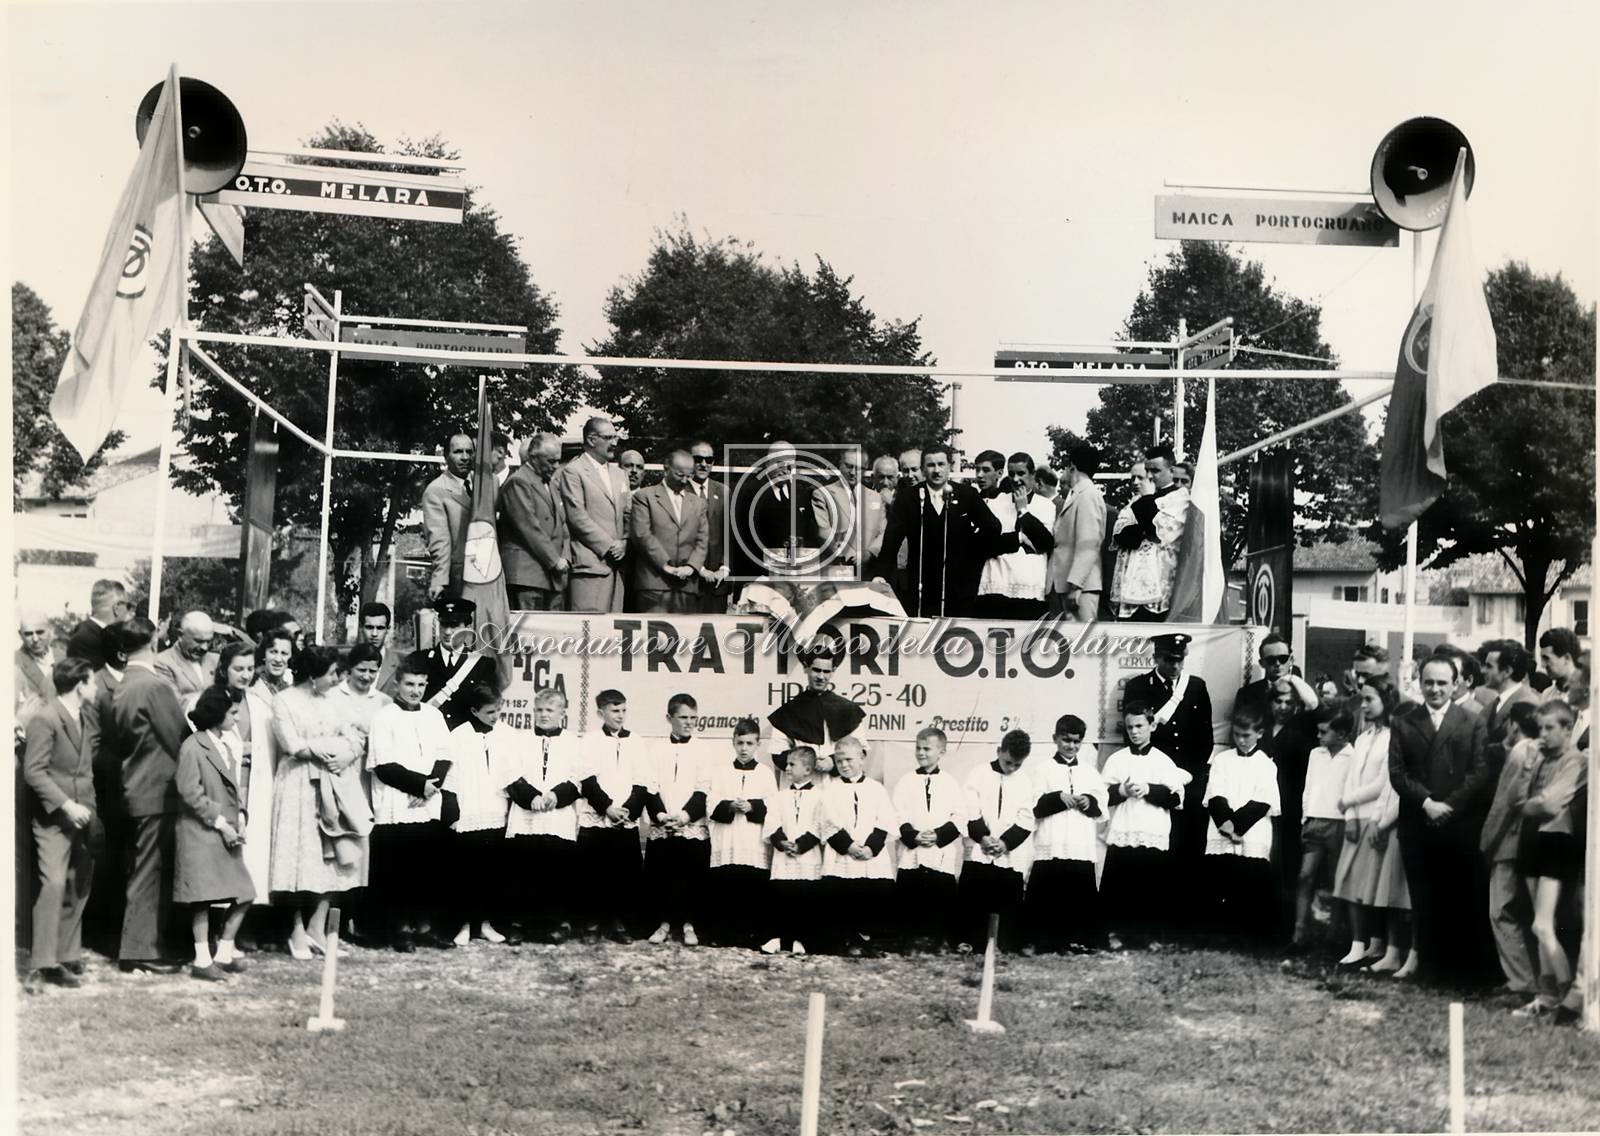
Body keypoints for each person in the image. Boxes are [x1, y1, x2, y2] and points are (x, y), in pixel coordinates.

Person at [1387, 655, 1491, 985]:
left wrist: (1448, 805)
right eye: (1429, 682)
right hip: (1417, 822)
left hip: (1458, 824)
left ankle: (1457, 971)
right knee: (1423, 897)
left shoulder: (1472, 721)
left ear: (1456, 684)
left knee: (1456, 894)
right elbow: (1397, 773)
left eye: (1442, 683)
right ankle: (1428, 968)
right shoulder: (1403, 722)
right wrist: (1427, 803)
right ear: (1419, 683)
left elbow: (1479, 771)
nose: (1435, 689)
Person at [269, 645, 373, 960]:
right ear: (313, 676)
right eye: (331, 674)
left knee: (331, 856)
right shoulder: (284, 700)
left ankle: (318, 927)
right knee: (297, 859)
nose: (337, 679)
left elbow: (356, 738)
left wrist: (346, 754)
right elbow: (293, 746)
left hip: (334, 781)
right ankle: (296, 931)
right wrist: (332, 745)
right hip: (299, 785)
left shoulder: (334, 701)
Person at [111, 616, 190, 972]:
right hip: (158, 790)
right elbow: (179, 738)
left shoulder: (124, 683)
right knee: (149, 872)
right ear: (155, 641)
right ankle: (139, 950)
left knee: (143, 868)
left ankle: (145, 945)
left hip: (135, 785)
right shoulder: (155, 686)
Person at [367, 653, 454, 952]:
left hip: (427, 803)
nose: (416, 691)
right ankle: (400, 929)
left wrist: (430, 786)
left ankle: (425, 928)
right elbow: (383, 765)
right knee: (399, 870)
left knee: (425, 869)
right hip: (397, 803)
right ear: (397, 685)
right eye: (409, 684)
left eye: (421, 685)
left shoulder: (433, 716)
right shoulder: (384, 718)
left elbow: (444, 755)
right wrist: (418, 785)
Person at [22, 658, 99, 993]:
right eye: (92, 681)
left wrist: (87, 808)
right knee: (53, 884)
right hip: (54, 817)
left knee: (77, 883)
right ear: (80, 685)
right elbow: (34, 772)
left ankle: (66, 955)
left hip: (83, 812)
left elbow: (83, 768)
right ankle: (42, 963)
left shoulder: (84, 715)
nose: (96, 687)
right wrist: (67, 805)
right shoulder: (46, 718)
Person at [1511, 701, 1588, 1018]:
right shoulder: (1540, 758)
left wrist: (1527, 805)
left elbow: (1549, 804)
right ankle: (1547, 995)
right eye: (1540, 728)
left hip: (1558, 841)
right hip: (1534, 839)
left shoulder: (1577, 761)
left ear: (1568, 729)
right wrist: (1528, 779)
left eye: (1550, 728)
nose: (1542, 734)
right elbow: (1517, 798)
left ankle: (1568, 995)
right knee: (1542, 923)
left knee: (1542, 925)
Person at [172, 687, 254, 981]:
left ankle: (223, 953)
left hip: (223, 831)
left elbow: (233, 788)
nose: (237, 717)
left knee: (245, 892)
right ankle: (202, 960)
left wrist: (241, 815)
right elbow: (189, 792)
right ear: (218, 715)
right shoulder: (193, 747)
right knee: (202, 899)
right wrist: (221, 822)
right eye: (232, 713)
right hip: (200, 832)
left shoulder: (225, 746)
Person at [1099, 702, 1191, 950]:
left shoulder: (1163, 761)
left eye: (1140, 726)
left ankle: (1149, 936)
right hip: (1124, 828)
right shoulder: (1117, 760)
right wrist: (1122, 790)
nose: (1134, 732)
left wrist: (1149, 789)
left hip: (1152, 830)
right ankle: (1116, 933)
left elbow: (1176, 798)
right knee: (1121, 883)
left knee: (1150, 885)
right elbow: (1101, 796)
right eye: (1130, 727)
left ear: (1152, 726)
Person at [876, 443, 1001, 618]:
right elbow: (891, 542)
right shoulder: (908, 498)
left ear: (949, 466)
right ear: (923, 469)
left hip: (959, 586)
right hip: (921, 584)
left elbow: (993, 527)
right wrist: (880, 575)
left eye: (941, 464)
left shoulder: (967, 494)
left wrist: (969, 548)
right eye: (931, 465)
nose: (936, 470)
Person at [206, 642, 278, 928]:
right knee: (219, 857)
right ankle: (214, 928)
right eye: (238, 669)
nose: (245, 675)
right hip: (220, 789)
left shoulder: (260, 706)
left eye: (249, 669)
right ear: (224, 669)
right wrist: (240, 749)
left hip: (252, 789)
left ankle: (239, 928)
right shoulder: (207, 700)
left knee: (248, 857)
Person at [1334, 682, 1404, 971]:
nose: (1363, 705)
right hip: (1356, 817)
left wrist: (1350, 802)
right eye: (1362, 700)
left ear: (1385, 700)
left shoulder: (1393, 737)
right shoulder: (1363, 738)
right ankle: (1357, 944)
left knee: (1372, 884)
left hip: (1376, 816)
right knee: (1349, 881)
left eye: (1369, 699)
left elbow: (1383, 784)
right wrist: (1350, 814)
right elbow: (1352, 777)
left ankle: (1376, 942)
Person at [505, 687, 583, 944]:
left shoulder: (572, 742)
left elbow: (577, 777)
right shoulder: (520, 739)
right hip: (526, 815)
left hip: (557, 815)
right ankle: (519, 923)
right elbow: (511, 774)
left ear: (562, 713)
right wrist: (532, 797)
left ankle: (555, 923)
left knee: (555, 870)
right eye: (539, 710)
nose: (543, 715)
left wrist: (555, 795)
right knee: (524, 869)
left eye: (549, 710)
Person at [1479, 701, 1545, 1003]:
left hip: (1509, 842)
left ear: (1513, 724)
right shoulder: (1537, 750)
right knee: (1522, 911)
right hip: (1530, 842)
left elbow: (1503, 805)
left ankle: (1521, 983)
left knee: (1501, 911)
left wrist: (1486, 842)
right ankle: (1529, 979)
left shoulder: (1519, 753)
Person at [574, 689, 649, 942]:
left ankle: (618, 923)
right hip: (599, 817)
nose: (620, 715)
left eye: (624, 710)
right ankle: (592, 923)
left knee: (622, 873)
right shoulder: (590, 740)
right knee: (595, 873)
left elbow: (642, 781)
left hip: (624, 819)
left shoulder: (636, 741)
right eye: (615, 711)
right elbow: (587, 779)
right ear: (600, 713)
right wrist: (607, 808)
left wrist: (628, 811)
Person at [1027, 715, 1106, 953]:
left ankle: (1078, 939)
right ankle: (1045, 941)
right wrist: (1058, 797)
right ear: (1055, 738)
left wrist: (1089, 801)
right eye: (1066, 740)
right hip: (1053, 839)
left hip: (1079, 842)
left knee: (1079, 891)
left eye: (1076, 741)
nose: (1071, 746)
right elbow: (1033, 804)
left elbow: (1101, 803)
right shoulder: (1042, 770)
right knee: (1050, 890)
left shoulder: (1090, 772)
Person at [1201, 704, 1281, 939]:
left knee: (1250, 879)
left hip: (1252, 829)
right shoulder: (1221, 760)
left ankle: (1249, 935)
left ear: (1260, 733)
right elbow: (1215, 792)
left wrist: (1237, 826)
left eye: (1246, 735)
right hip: (1222, 828)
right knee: (1221, 878)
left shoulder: (1266, 764)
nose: (1241, 740)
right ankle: (1220, 932)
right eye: (1237, 735)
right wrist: (1225, 824)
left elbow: (1263, 800)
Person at [443, 684, 513, 946]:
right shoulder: (459, 736)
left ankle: (485, 925)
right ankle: (464, 926)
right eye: (490, 712)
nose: (496, 716)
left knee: (491, 874)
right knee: (466, 874)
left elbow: (511, 774)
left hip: (496, 811)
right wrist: (453, 816)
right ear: (474, 711)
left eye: (498, 710)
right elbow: (450, 780)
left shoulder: (506, 734)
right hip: (469, 813)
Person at [958, 729, 1038, 952]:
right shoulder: (978, 774)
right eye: (1008, 762)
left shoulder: (1024, 781)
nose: (1011, 769)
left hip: (1007, 852)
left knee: (1006, 897)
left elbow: (1026, 818)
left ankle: (1005, 942)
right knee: (974, 895)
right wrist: (983, 837)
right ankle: (969, 941)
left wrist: (1004, 843)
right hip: (981, 847)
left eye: (1017, 765)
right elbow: (970, 808)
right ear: (999, 751)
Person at [644, 693, 713, 947]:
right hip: (663, 824)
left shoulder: (703, 750)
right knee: (663, 875)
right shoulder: (656, 749)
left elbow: (703, 788)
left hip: (690, 825)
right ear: (669, 718)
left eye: (693, 718)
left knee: (690, 876)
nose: (689, 723)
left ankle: (688, 924)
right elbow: (650, 787)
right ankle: (663, 923)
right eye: (683, 717)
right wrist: (662, 817)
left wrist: (684, 817)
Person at [819, 736, 896, 956]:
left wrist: (871, 847)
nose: (844, 765)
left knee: (870, 898)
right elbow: (828, 822)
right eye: (839, 760)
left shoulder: (876, 789)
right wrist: (849, 846)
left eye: (849, 760)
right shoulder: (830, 789)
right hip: (843, 853)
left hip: (871, 855)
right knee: (843, 897)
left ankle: (868, 940)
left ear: (862, 758)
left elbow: (885, 821)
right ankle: (846, 940)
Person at [890, 727, 965, 951]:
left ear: (941, 752)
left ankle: (940, 940)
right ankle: (908, 940)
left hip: (939, 851)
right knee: (910, 896)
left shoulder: (950, 783)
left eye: (927, 749)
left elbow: (960, 816)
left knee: (941, 895)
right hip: (913, 850)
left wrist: (938, 835)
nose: (921, 753)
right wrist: (913, 836)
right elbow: (897, 814)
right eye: (918, 748)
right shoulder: (906, 781)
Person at [705, 718, 776, 948]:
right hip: (728, 838)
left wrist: (752, 806)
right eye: (740, 743)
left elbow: (773, 806)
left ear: (758, 745)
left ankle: (750, 934)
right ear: (733, 742)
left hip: (752, 841)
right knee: (727, 885)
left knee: (751, 887)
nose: (744, 748)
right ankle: (723, 934)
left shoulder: (765, 773)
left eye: (749, 743)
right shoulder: (721, 772)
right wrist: (729, 806)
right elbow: (711, 803)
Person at [1290, 706, 1355, 952]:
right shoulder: (1315, 754)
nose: (1318, 736)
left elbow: (1351, 793)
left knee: (1336, 880)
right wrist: (1305, 819)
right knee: (1305, 876)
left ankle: (1333, 935)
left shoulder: (1353, 757)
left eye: (1324, 732)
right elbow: (1308, 788)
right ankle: (1299, 933)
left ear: (1342, 734)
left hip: (1338, 824)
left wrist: (1348, 822)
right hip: (1314, 822)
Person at [557, 416, 630, 613]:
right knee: (588, 628)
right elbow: (577, 517)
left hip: (618, 569)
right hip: (590, 567)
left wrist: (624, 542)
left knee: (612, 629)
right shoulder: (573, 471)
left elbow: (628, 513)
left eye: (615, 437)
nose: (614, 443)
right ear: (591, 440)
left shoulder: (620, 474)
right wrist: (610, 546)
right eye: (609, 437)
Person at [1109, 444, 1188, 621]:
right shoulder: (1137, 500)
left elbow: (1159, 532)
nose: (1149, 476)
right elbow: (1122, 536)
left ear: (1171, 471)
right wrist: (1144, 526)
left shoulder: (1180, 498)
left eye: (1156, 470)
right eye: (1147, 470)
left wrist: (1146, 501)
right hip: (1130, 583)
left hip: (1162, 585)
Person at [761, 745, 825, 957]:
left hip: (808, 857)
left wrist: (801, 845)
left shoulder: (820, 796)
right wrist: (781, 842)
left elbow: (820, 824)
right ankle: (779, 939)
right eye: (786, 764)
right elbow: (772, 821)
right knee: (782, 897)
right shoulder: (779, 796)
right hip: (783, 858)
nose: (786, 768)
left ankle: (801, 939)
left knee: (804, 899)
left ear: (807, 769)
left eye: (791, 764)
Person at [974, 451, 1055, 620]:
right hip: (996, 584)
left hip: (1029, 586)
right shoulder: (996, 503)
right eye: (1011, 474)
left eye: (1021, 473)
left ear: (1032, 475)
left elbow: (1044, 544)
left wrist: (1023, 510)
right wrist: (1019, 538)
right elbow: (985, 544)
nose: (1015, 479)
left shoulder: (1046, 506)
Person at [629, 449, 709, 614]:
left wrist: (691, 567)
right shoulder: (644, 497)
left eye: (689, 476)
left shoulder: (699, 503)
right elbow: (642, 535)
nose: (685, 480)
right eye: (680, 475)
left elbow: (703, 540)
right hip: (654, 584)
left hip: (687, 586)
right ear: (666, 469)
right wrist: (665, 565)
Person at [498, 432, 571, 612]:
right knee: (528, 628)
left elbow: (562, 524)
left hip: (554, 576)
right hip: (528, 576)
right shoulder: (518, 482)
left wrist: (566, 558)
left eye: (558, 461)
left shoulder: (551, 484)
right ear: (533, 457)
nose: (556, 466)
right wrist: (555, 560)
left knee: (553, 629)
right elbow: (529, 528)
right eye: (550, 461)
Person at [767, 647, 864, 775]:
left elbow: (860, 750)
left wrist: (833, 761)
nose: (821, 677)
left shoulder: (848, 709)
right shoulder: (788, 711)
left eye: (826, 671)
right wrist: (808, 762)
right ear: (806, 668)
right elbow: (778, 753)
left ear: (833, 672)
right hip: (802, 779)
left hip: (836, 781)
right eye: (816, 670)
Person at [417, 598, 501, 729]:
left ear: (467, 628)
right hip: (430, 735)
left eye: (454, 625)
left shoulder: (484, 666)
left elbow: (487, 710)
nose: (447, 632)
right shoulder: (419, 660)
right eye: (444, 625)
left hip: (467, 738)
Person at [1045, 443, 1106, 621]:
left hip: (1080, 587)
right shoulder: (1078, 495)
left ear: (1072, 466)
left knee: (1082, 637)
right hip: (1069, 585)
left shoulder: (1087, 495)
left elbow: (1089, 543)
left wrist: (1076, 585)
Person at [812, 445, 887, 581]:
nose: (853, 472)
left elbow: (883, 532)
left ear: (865, 469)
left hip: (869, 571)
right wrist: (848, 555)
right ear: (840, 465)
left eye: (858, 468)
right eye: (848, 466)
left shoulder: (876, 497)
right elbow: (823, 531)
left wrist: (868, 554)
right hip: (837, 569)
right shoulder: (822, 494)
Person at [422, 431, 475, 602]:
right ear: (446, 456)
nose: (465, 457)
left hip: (489, 573)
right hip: (458, 577)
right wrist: (440, 580)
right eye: (458, 452)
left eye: (469, 452)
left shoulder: (484, 484)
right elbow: (439, 540)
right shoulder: (436, 490)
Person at [687, 441, 732, 613]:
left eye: (709, 460)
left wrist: (724, 567)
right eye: (698, 459)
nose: (704, 464)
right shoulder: (679, 492)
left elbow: (730, 535)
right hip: (689, 582)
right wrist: (699, 569)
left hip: (718, 584)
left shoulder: (724, 492)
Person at [67, 578, 132, 669]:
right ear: (117, 608)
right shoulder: (85, 640)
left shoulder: (96, 634)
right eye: (128, 606)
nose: (130, 612)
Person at [154, 611, 218, 698]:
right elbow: (173, 701)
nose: (205, 648)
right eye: (199, 641)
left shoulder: (217, 660)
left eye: (209, 641)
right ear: (180, 635)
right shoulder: (162, 662)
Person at [16, 609, 59, 730]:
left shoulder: (64, 656)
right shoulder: (13, 663)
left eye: (40, 632)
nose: (35, 639)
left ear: (50, 630)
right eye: (28, 634)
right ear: (20, 634)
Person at [355, 602, 403, 694]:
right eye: (369, 627)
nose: (374, 634)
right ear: (361, 628)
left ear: (388, 629)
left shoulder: (400, 664)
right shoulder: (345, 663)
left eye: (380, 628)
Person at [1536, 628, 1581, 701]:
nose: (1542, 665)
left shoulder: (1591, 696)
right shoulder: (1547, 695)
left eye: (1546, 658)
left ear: (1566, 658)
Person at [253, 626, 296, 695]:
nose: (278, 659)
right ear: (264, 654)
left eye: (284, 653)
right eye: (273, 652)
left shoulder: (289, 690)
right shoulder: (252, 684)